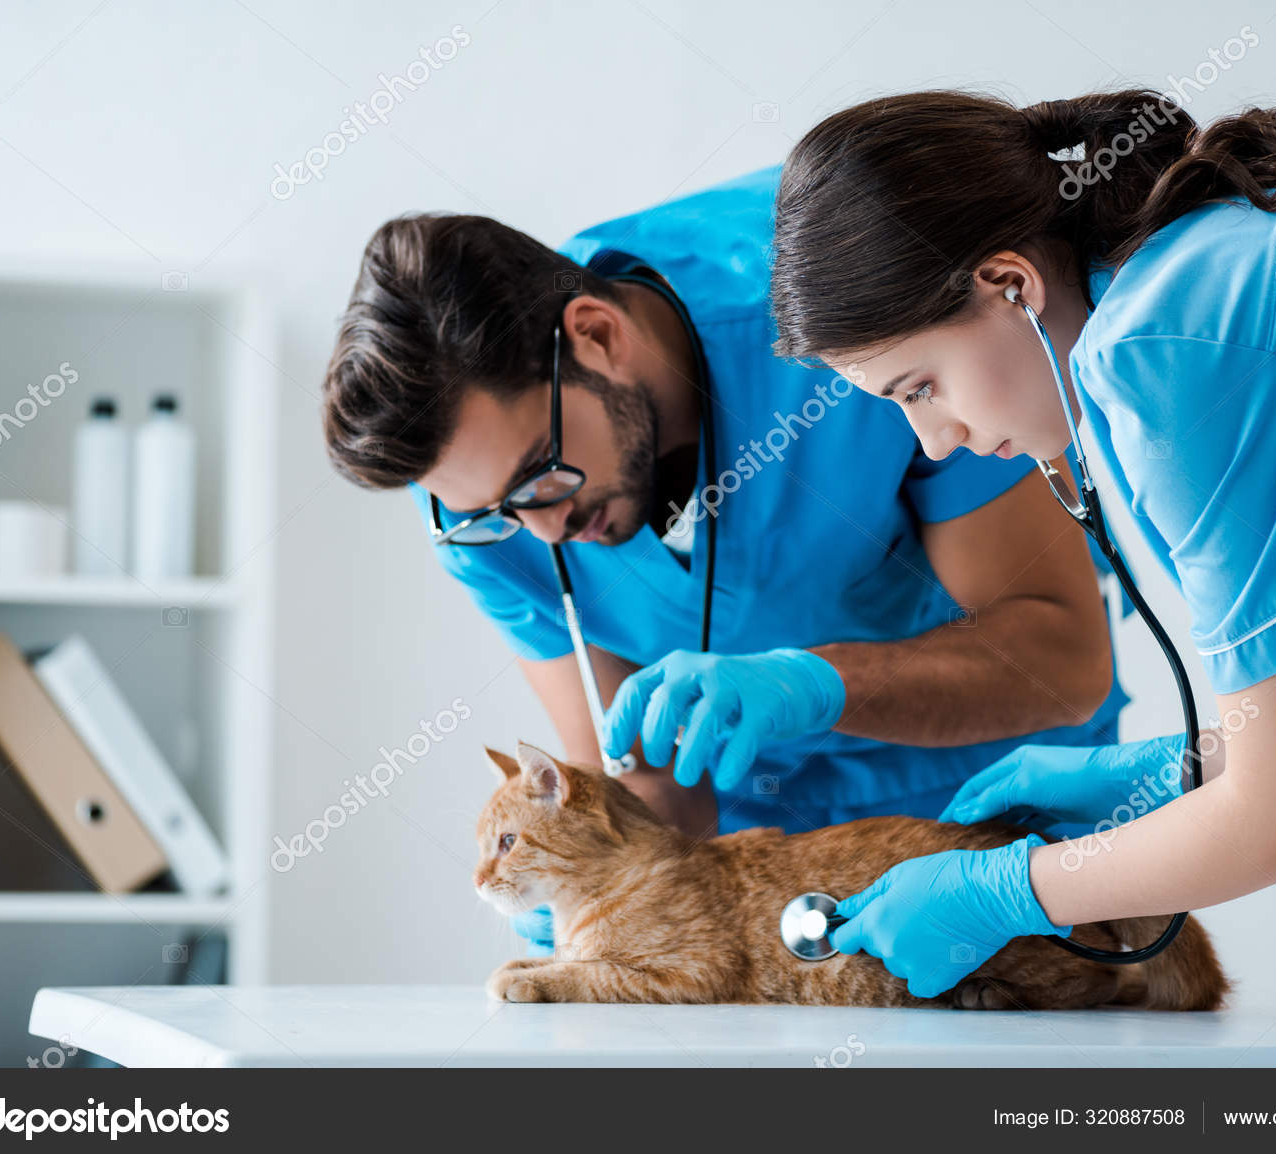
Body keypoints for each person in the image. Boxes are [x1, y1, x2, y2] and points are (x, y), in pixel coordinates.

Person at [769, 88, 1276, 998]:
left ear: (1011, 284)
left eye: (919, 388)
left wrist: (1003, 893)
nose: (934, 441)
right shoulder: (1209, 266)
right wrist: (1176, 767)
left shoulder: (1159, 351)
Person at [322, 167, 1130, 954]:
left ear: (597, 336)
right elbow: (648, 786)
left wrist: (820, 685)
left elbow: (1062, 657)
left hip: (997, 821)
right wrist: (593, 888)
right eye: (493, 512)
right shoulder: (478, 504)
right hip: (761, 884)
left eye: (543, 475)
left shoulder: (853, 313)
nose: (543, 530)